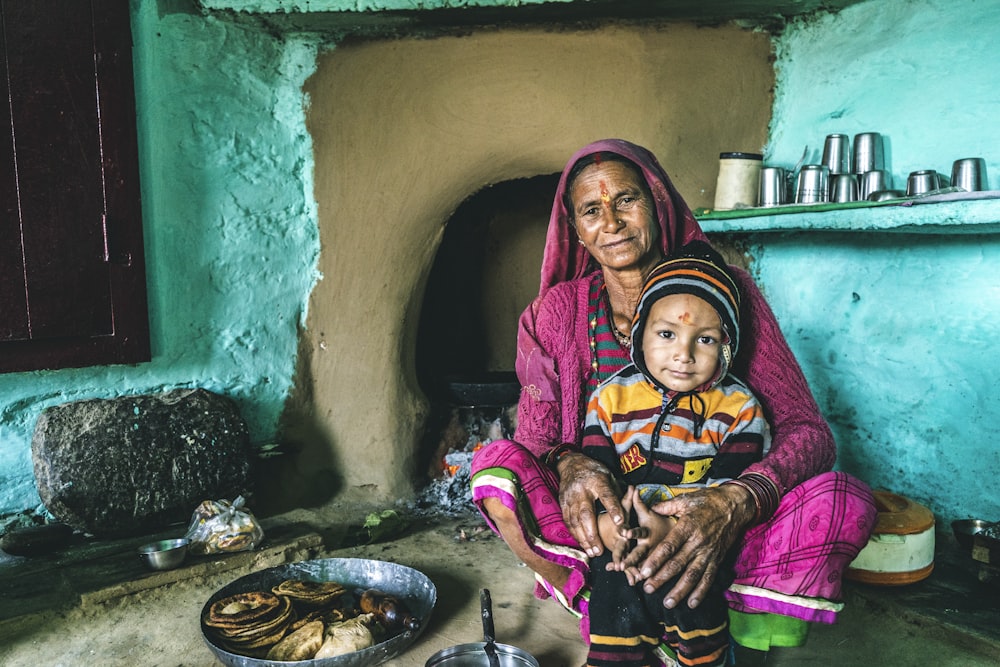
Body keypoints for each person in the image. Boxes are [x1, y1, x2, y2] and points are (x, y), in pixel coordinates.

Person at [469, 139, 876, 666]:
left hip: (712, 500)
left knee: (845, 499)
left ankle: (715, 619)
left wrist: (734, 502)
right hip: (614, 519)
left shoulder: (730, 296)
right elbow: (538, 442)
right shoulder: (555, 314)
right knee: (497, 469)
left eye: (626, 200)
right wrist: (573, 464)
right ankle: (612, 608)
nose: (611, 222)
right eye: (591, 209)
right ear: (575, 227)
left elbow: (808, 431)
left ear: (658, 204)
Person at [585, 241, 771, 667]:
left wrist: (672, 530)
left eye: (704, 340)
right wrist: (610, 528)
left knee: (693, 586)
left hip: (697, 537)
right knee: (613, 586)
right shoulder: (609, 401)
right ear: (640, 333)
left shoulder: (738, 409)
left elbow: (731, 490)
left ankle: (703, 657)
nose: (683, 356)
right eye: (667, 334)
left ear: (726, 347)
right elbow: (598, 479)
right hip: (626, 534)